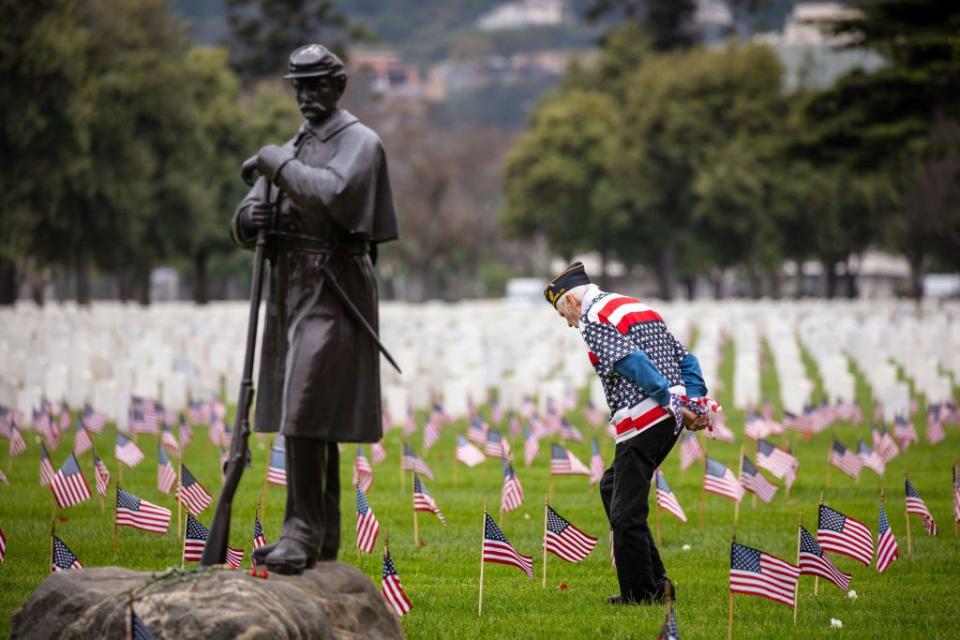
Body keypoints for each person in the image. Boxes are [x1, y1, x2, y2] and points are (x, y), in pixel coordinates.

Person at [230, 44, 398, 574]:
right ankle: (318, 533)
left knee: (305, 411)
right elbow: (244, 214)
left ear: (338, 85)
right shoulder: (294, 145)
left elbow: (331, 195)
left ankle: (301, 531)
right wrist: (249, 219)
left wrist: (276, 164)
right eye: (297, 86)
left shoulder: (360, 144)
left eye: (315, 85)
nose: (305, 96)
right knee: (309, 416)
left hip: (335, 290)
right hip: (293, 293)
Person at [544, 262, 711, 604]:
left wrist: (669, 400)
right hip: (668, 418)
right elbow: (687, 359)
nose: (570, 323)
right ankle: (657, 582)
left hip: (644, 419)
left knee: (625, 513)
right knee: (611, 486)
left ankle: (640, 593)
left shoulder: (593, 319)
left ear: (573, 303)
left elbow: (632, 361)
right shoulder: (636, 306)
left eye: (565, 315)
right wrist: (693, 402)